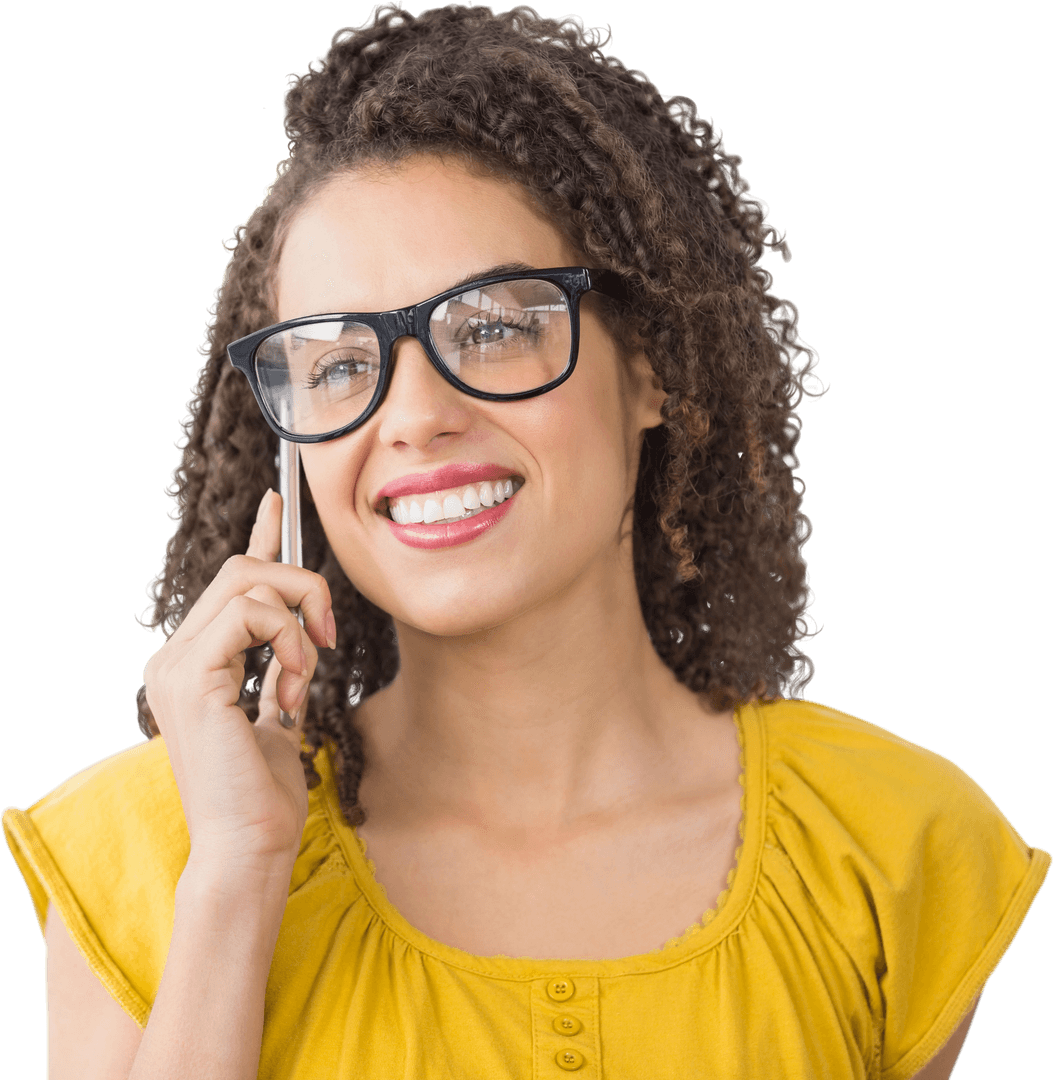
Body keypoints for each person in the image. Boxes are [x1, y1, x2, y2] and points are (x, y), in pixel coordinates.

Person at [2, 4, 1048, 1079]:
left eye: (491, 328)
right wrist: (237, 871)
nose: (409, 417)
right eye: (336, 363)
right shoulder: (149, 849)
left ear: (650, 367)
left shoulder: (894, 846)